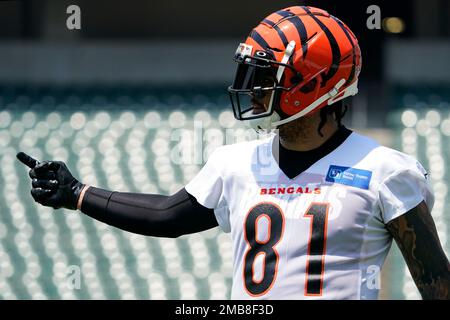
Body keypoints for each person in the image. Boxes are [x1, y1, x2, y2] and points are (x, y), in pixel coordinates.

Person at [17, 6, 449, 299]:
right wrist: (77, 193)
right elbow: (168, 216)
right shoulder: (235, 163)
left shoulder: (385, 171)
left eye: (266, 74)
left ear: (314, 85)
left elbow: (437, 287)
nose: (253, 87)